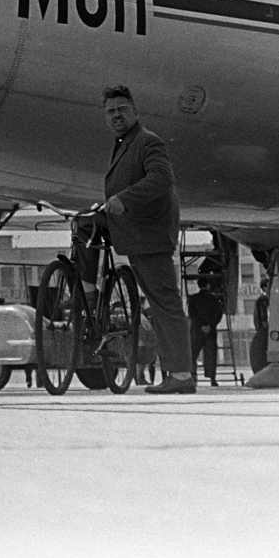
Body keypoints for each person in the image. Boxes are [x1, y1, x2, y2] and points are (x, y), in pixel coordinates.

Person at [100, 85, 196, 394]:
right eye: (111, 111)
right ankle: (176, 373)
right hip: (138, 237)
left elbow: (161, 178)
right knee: (159, 305)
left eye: (122, 110)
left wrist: (124, 199)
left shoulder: (147, 141)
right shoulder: (126, 143)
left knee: (166, 305)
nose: (116, 115)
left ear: (135, 112)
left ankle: (181, 375)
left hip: (150, 236)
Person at [186, 255, 225, 386]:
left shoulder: (193, 299)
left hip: (197, 330)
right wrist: (210, 325)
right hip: (210, 331)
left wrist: (201, 325)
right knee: (211, 355)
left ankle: (193, 376)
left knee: (193, 354)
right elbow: (218, 314)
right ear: (208, 285)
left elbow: (192, 314)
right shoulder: (214, 299)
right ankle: (212, 378)